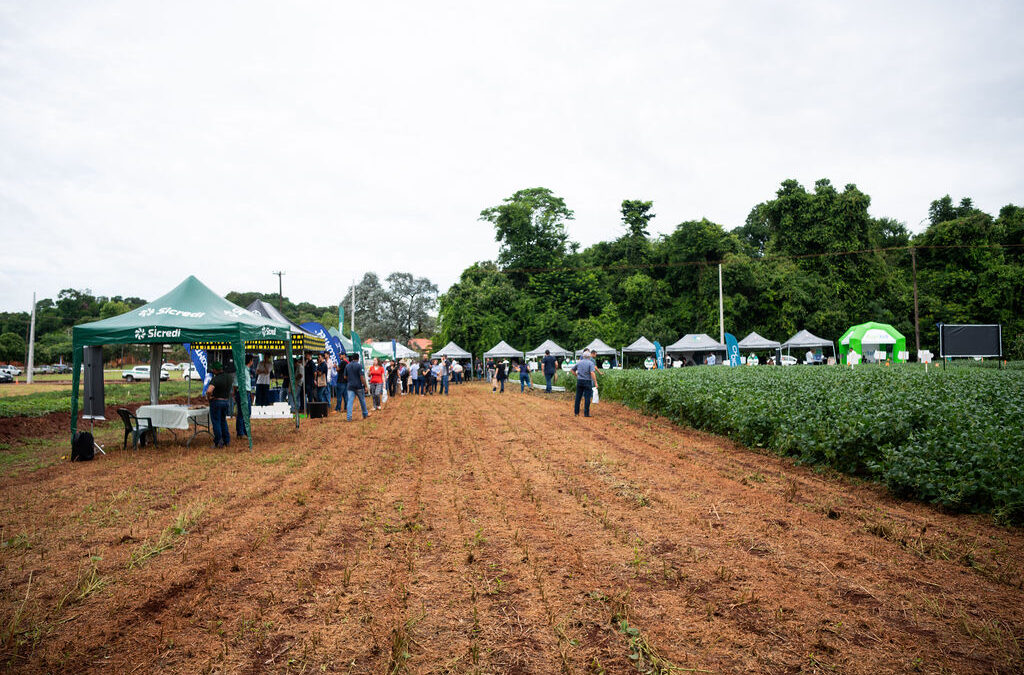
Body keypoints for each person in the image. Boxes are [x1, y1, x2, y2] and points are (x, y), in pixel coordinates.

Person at [205, 361, 234, 447]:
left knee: (216, 422)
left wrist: (209, 397)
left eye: (213, 369)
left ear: (215, 370)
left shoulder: (216, 379)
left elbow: (209, 390)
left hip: (216, 402)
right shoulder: (229, 377)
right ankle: (227, 440)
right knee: (223, 421)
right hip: (226, 401)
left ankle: (218, 442)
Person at [344, 353, 370, 421]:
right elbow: (361, 377)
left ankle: (349, 417)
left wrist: (350, 380)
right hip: (358, 386)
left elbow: (345, 376)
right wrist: (365, 386)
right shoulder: (359, 366)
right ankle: (365, 414)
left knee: (350, 401)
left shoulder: (347, 366)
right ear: (358, 358)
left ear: (352, 358)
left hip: (350, 386)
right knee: (362, 400)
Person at [571, 352, 597, 417]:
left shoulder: (579, 362)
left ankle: (576, 413)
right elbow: (592, 373)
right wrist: (595, 382)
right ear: (589, 357)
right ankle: (586, 413)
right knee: (587, 397)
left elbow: (572, 370)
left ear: (583, 356)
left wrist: (577, 376)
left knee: (578, 397)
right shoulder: (590, 363)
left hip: (579, 381)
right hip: (587, 381)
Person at [234, 355, 254, 439]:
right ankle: (240, 433)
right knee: (242, 413)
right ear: (250, 361)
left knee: (247, 412)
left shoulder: (246, 370)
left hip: (246, 392)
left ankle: (244, 431)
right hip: (243, 392)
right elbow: (235, 384)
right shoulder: (242, 370)